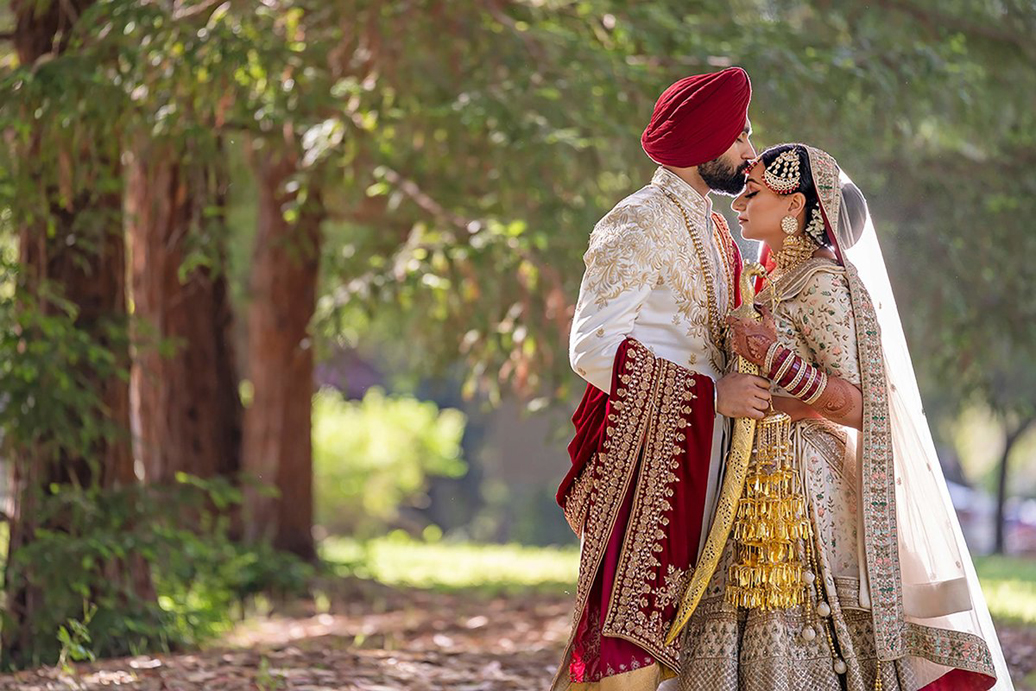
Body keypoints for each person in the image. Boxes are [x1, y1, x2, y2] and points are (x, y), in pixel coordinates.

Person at [673, 143, 1012, 690]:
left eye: (753, 191)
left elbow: (860, 405)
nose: (738, 201)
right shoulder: (776, 281)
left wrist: (773, 359)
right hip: (751, 479)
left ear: (794, 207)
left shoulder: (826, 282)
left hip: (802, 491)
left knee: (795, 634)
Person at [552, 67, 772, 691]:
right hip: (649, 459)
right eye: (740, 137)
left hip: (707, 455)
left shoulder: (714, 228)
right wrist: (709, 397)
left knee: (675, 644)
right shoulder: (637, 222)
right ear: (705, 142)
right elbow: (591, 347)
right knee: (629, 643)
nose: (750, 154)